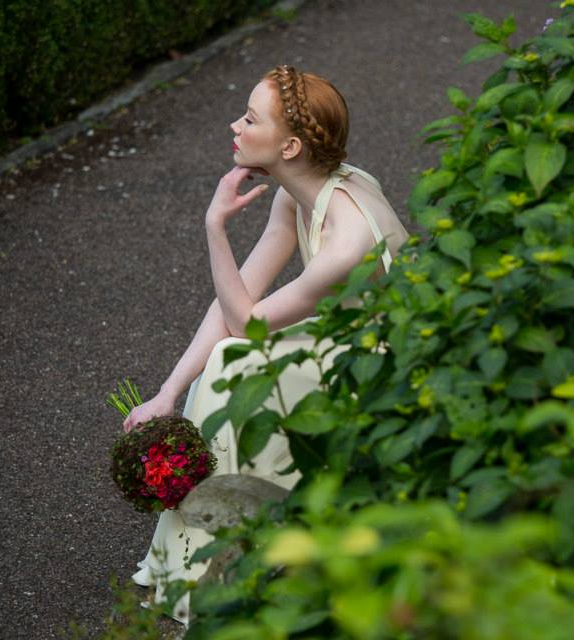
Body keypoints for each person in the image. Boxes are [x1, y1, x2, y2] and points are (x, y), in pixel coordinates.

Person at [122, 64, 409, 624]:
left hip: (381, 367)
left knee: (234, 362)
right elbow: (236, 309)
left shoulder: (346, 238)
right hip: (346, 339)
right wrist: (166, 394)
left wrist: (215, 229)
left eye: (250, 118)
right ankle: (221, 561)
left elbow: (246, 323)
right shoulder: (301, 192)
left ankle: (226, 567)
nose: (235, 124)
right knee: (226, 360)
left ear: (291, 145)